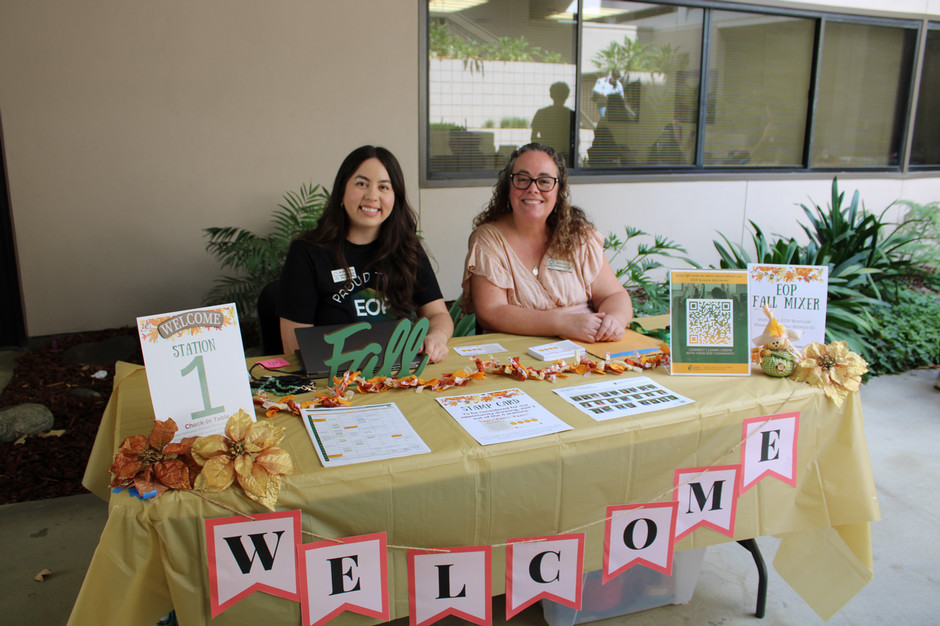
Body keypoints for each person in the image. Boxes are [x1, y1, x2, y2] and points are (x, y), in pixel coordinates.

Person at [278, 145, 453, 361]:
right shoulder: (307, 252)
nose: (372, 196)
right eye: (361, 184)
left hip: (399, 371)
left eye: (384, 187)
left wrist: (437, 336)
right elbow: (293, 342)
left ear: (395, 198)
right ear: (341, 191)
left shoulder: (408, 248)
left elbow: (438, 314)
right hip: (332, 377)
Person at [460, 143, 632, 343]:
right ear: (508, 187)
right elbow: (490, 312)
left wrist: (614, 320)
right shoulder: (489, 240)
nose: (533, 189)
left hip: (588, 351)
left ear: (558, 190)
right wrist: (564, 323)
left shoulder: (579, 236)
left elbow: (614, 295)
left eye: (544, 181)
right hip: (515, 357)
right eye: (522, 180)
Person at [530, 82, 575, 164]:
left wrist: (543, 147)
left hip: (545, 156)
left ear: (551, 95)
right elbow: (576, 140)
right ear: (567, 96)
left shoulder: (541, 113)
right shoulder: (571, 115)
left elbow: (533, 137)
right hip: (565, 158)